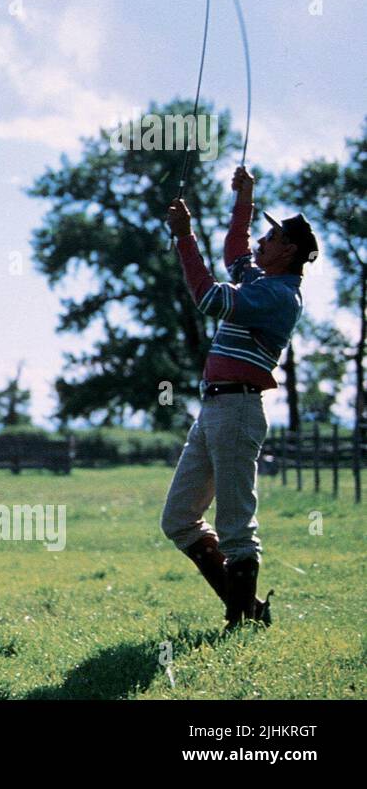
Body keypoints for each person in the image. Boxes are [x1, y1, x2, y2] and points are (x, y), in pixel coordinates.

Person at [162, 166, 319, 628]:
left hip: (238, 410)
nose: (260, 242)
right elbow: (235, 248)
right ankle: (249, 611)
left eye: (270, 237)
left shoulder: (278, 296)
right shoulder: (259, 280)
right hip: (214, 410)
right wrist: (244, 199)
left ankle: (241, 622)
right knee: (178, 520)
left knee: (235, 528)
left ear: (288, 251)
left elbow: (209, 297)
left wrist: (186, 238)